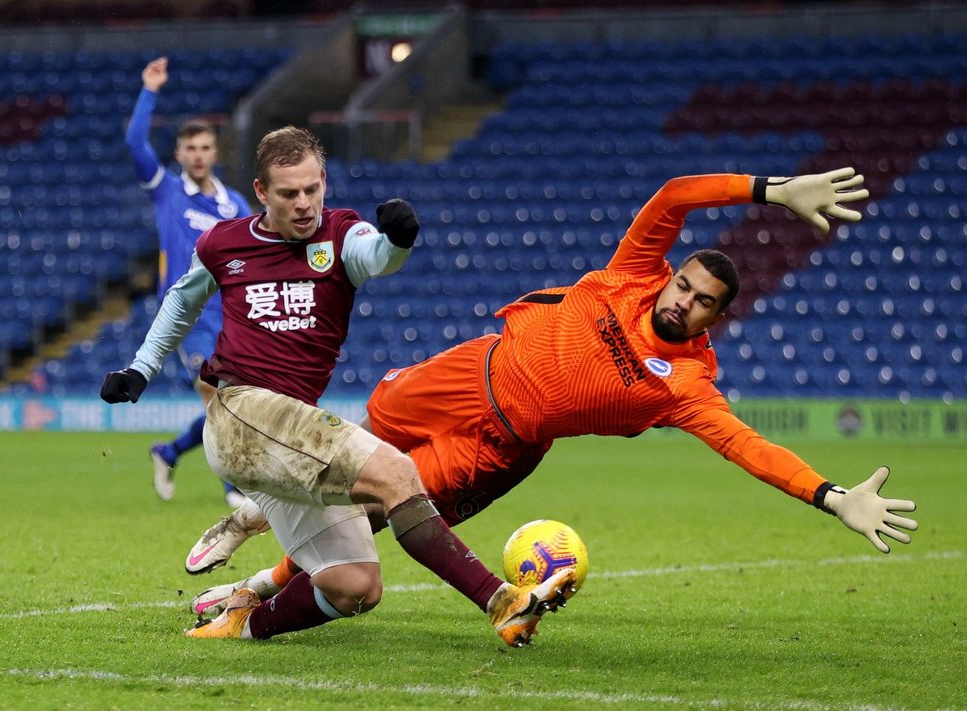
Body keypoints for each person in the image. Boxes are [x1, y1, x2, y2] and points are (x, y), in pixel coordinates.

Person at [182, 167, 919, 620]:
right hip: (467, 371)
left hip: (498, 446)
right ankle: (254, 511)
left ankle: (253, 588)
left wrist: (830, 495)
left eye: (701, 302)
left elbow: (748, 448)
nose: (684, 300)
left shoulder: (687, 386)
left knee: (374, 507)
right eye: (684, 284)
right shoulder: (632, 273)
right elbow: (674, 197)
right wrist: (771, 190)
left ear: (714, 320)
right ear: (669, 276)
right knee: (349, 452)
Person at [101, 125, 578, 648]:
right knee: (396, 472)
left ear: (323, 181)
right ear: (261, 192)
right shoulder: (223, 243)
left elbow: (375, 257)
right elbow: (181, 300)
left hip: (285, 438)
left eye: (312, 189)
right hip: (241, 409)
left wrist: (397, 240)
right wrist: (141, 368)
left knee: (355, 587)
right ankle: (503, 602)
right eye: (288, 194)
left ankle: (242, 621)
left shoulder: (340, 234)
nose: (304, 203)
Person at [125, 56, 253, 506]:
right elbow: (135, 142)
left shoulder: (234, 204)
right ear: (179, 154)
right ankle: (233, 486)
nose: (198, 155)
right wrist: (149, 90)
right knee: (216, 394)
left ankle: (170, 450)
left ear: (214, 152)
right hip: (188, 315)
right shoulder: (166, 189)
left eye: (204, 147)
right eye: (190, 148)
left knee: (234, 400)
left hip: (231, 315)